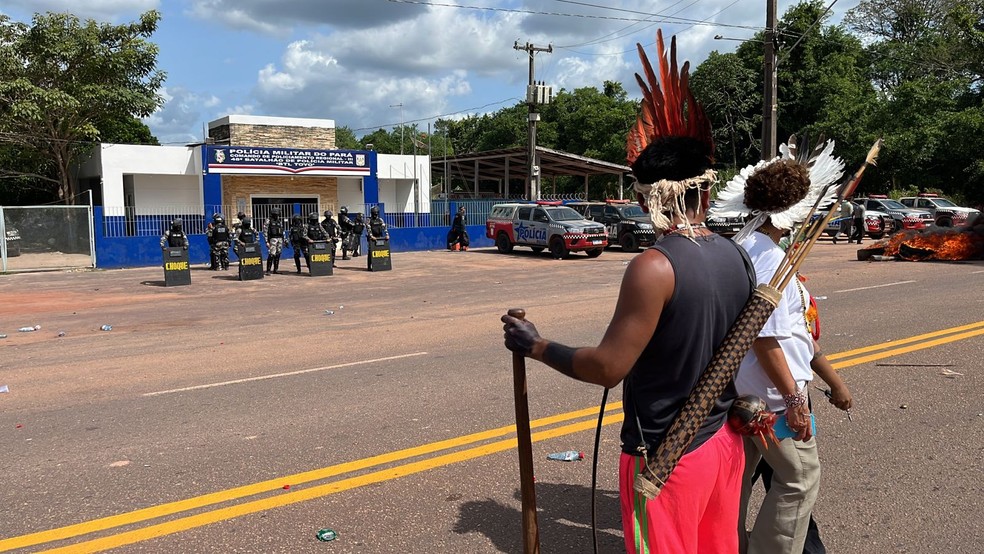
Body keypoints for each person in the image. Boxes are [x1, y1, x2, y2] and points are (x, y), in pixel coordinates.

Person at [502, 30, 758, 554]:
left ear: (650, 199)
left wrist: (536, 344)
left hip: (665, 455)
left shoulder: (654, 266)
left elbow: (606, 368)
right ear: (707, 191)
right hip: (723, 446)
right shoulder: (737, 255)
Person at [710, 137, 847, 554]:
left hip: (745, 393)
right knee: (799, 479)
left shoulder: (744, 245)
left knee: (739, 484)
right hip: (770, 399)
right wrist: (794, 397)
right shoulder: (770, 256)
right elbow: (765, 336)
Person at [265, 208, 286, 275]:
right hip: (272, 239)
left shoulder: (279, 221)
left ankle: (275, 269)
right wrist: (266, 241)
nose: (277, 215)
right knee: (272, 254)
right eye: (276, 214)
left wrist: (284, 239)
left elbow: (282, 231)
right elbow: (265, 231)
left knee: (278, 254)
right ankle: (268, 270)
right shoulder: (268, 221)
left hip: (279, 239)